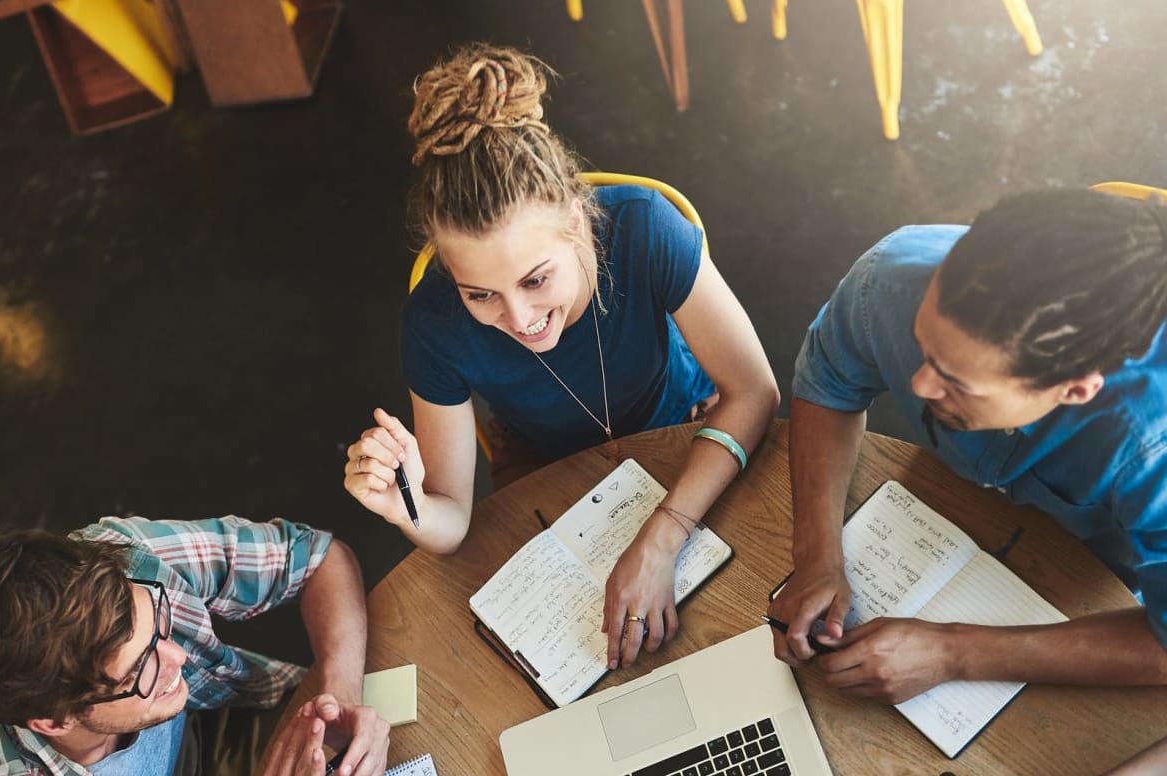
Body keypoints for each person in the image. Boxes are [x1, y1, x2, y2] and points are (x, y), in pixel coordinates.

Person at [341, 44, 779, 669]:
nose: (519, 321)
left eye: (536, 279)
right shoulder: (434, 324)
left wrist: (660, 537)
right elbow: (452, 520)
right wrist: (403, 504)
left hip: (685, 423)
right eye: (480, 294)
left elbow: (754, 393)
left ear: (577, 222)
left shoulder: (645, 230)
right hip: (546, 468)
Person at [770, 188, 1167, 703]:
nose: (917, 386)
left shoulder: (1153, 450)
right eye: (923, 344)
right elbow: (830, 382)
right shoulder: (892, 278)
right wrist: (816, 556)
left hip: (1097, 599)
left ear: (1073, 390)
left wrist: (953, 653)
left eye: (956, 382)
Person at [0, 515, 390, 776]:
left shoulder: (125, 558)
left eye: (157, 622)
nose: (179, 657)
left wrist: (340, 694)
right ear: (55, 721)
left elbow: (317, 556)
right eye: (139, 672)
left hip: (234, 725)